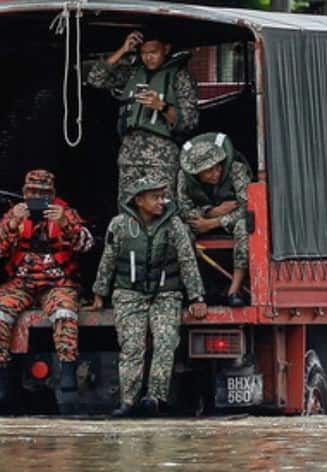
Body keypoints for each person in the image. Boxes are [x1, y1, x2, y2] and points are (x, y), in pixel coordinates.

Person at [89, 168, 207, 418]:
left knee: (165, 342)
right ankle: (128, 401)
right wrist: (99, 293)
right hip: (129, 294)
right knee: (131, 346)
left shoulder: (175, 226)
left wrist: (197, 297)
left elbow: (187, 261)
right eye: (154, 197)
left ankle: (154, 397)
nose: (161, 201)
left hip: (166, 294)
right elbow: (108, 260)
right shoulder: (120, 225)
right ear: (138, 200)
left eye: (162, 196)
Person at [0, 167, 93, 397]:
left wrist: (65, 223)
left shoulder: (65, 213)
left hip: (57, 282)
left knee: (65, 311)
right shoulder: (13, 215)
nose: (38, 199)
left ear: (52, 194)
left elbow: (86, 245)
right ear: (24, 193)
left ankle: (67, 371)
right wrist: (12, 224)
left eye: (43, 194)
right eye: (33, 193)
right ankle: (0, 376)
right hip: (22, 282)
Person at [85, 29, 199, 201]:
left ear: (166, 49)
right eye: (144, 53)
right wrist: (123, 49)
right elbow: (96, 79)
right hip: (129, 154)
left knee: (162, 207)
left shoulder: (180, 77)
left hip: (162, 156)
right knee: (128, 207)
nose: (148, 58)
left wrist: (162, 107)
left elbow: (189, 122)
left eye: (153, 52)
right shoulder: (133, 72)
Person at [177, 131, 254, 307]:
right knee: (180, 230)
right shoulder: (185, 178)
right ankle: (195, 293)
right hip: (200, 222)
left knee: (245, 226)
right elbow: (183, 209)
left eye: (217, 167)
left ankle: (234, 290)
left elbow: (247, 208)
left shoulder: (236, 169)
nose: (215, 173)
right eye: (208, 171)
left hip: (233, 221)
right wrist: (210, 212)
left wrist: (215, 222)